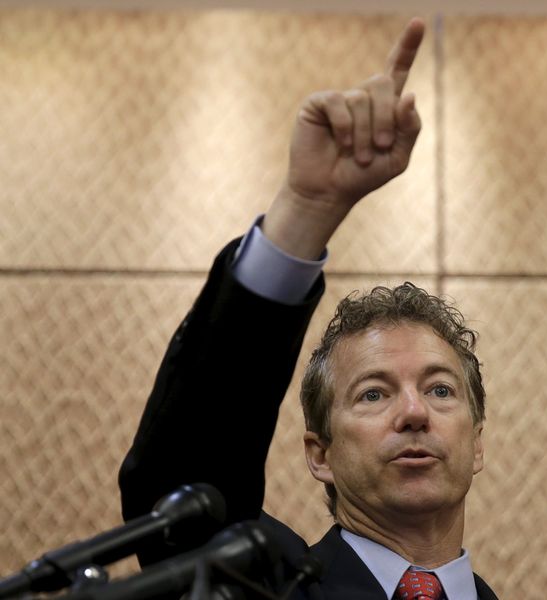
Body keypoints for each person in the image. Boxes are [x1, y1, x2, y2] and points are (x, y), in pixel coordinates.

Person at [119, 17, 498, 600]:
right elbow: (181, 488)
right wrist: (306, 210)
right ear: (319, 455)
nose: (415, 413)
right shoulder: (264, 582)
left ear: (476, 444)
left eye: (441, 389)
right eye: (373, 393)